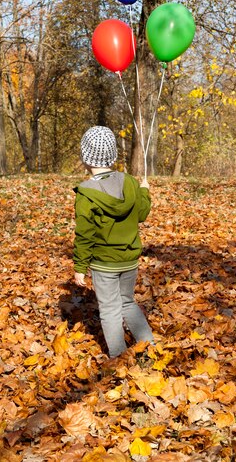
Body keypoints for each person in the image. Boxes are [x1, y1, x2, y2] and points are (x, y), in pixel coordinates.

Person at [73, 125, 154, 358]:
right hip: (129, 261)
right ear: (113, 155)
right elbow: (141, 213)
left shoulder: (86, 193)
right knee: (127, 302)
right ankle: (149, 345)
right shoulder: (129, 182)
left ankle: (119, 357)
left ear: (85, 157)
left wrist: (80, 266)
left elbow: (84, 234)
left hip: (104, 264)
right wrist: (144, 193)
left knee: (109, 309)